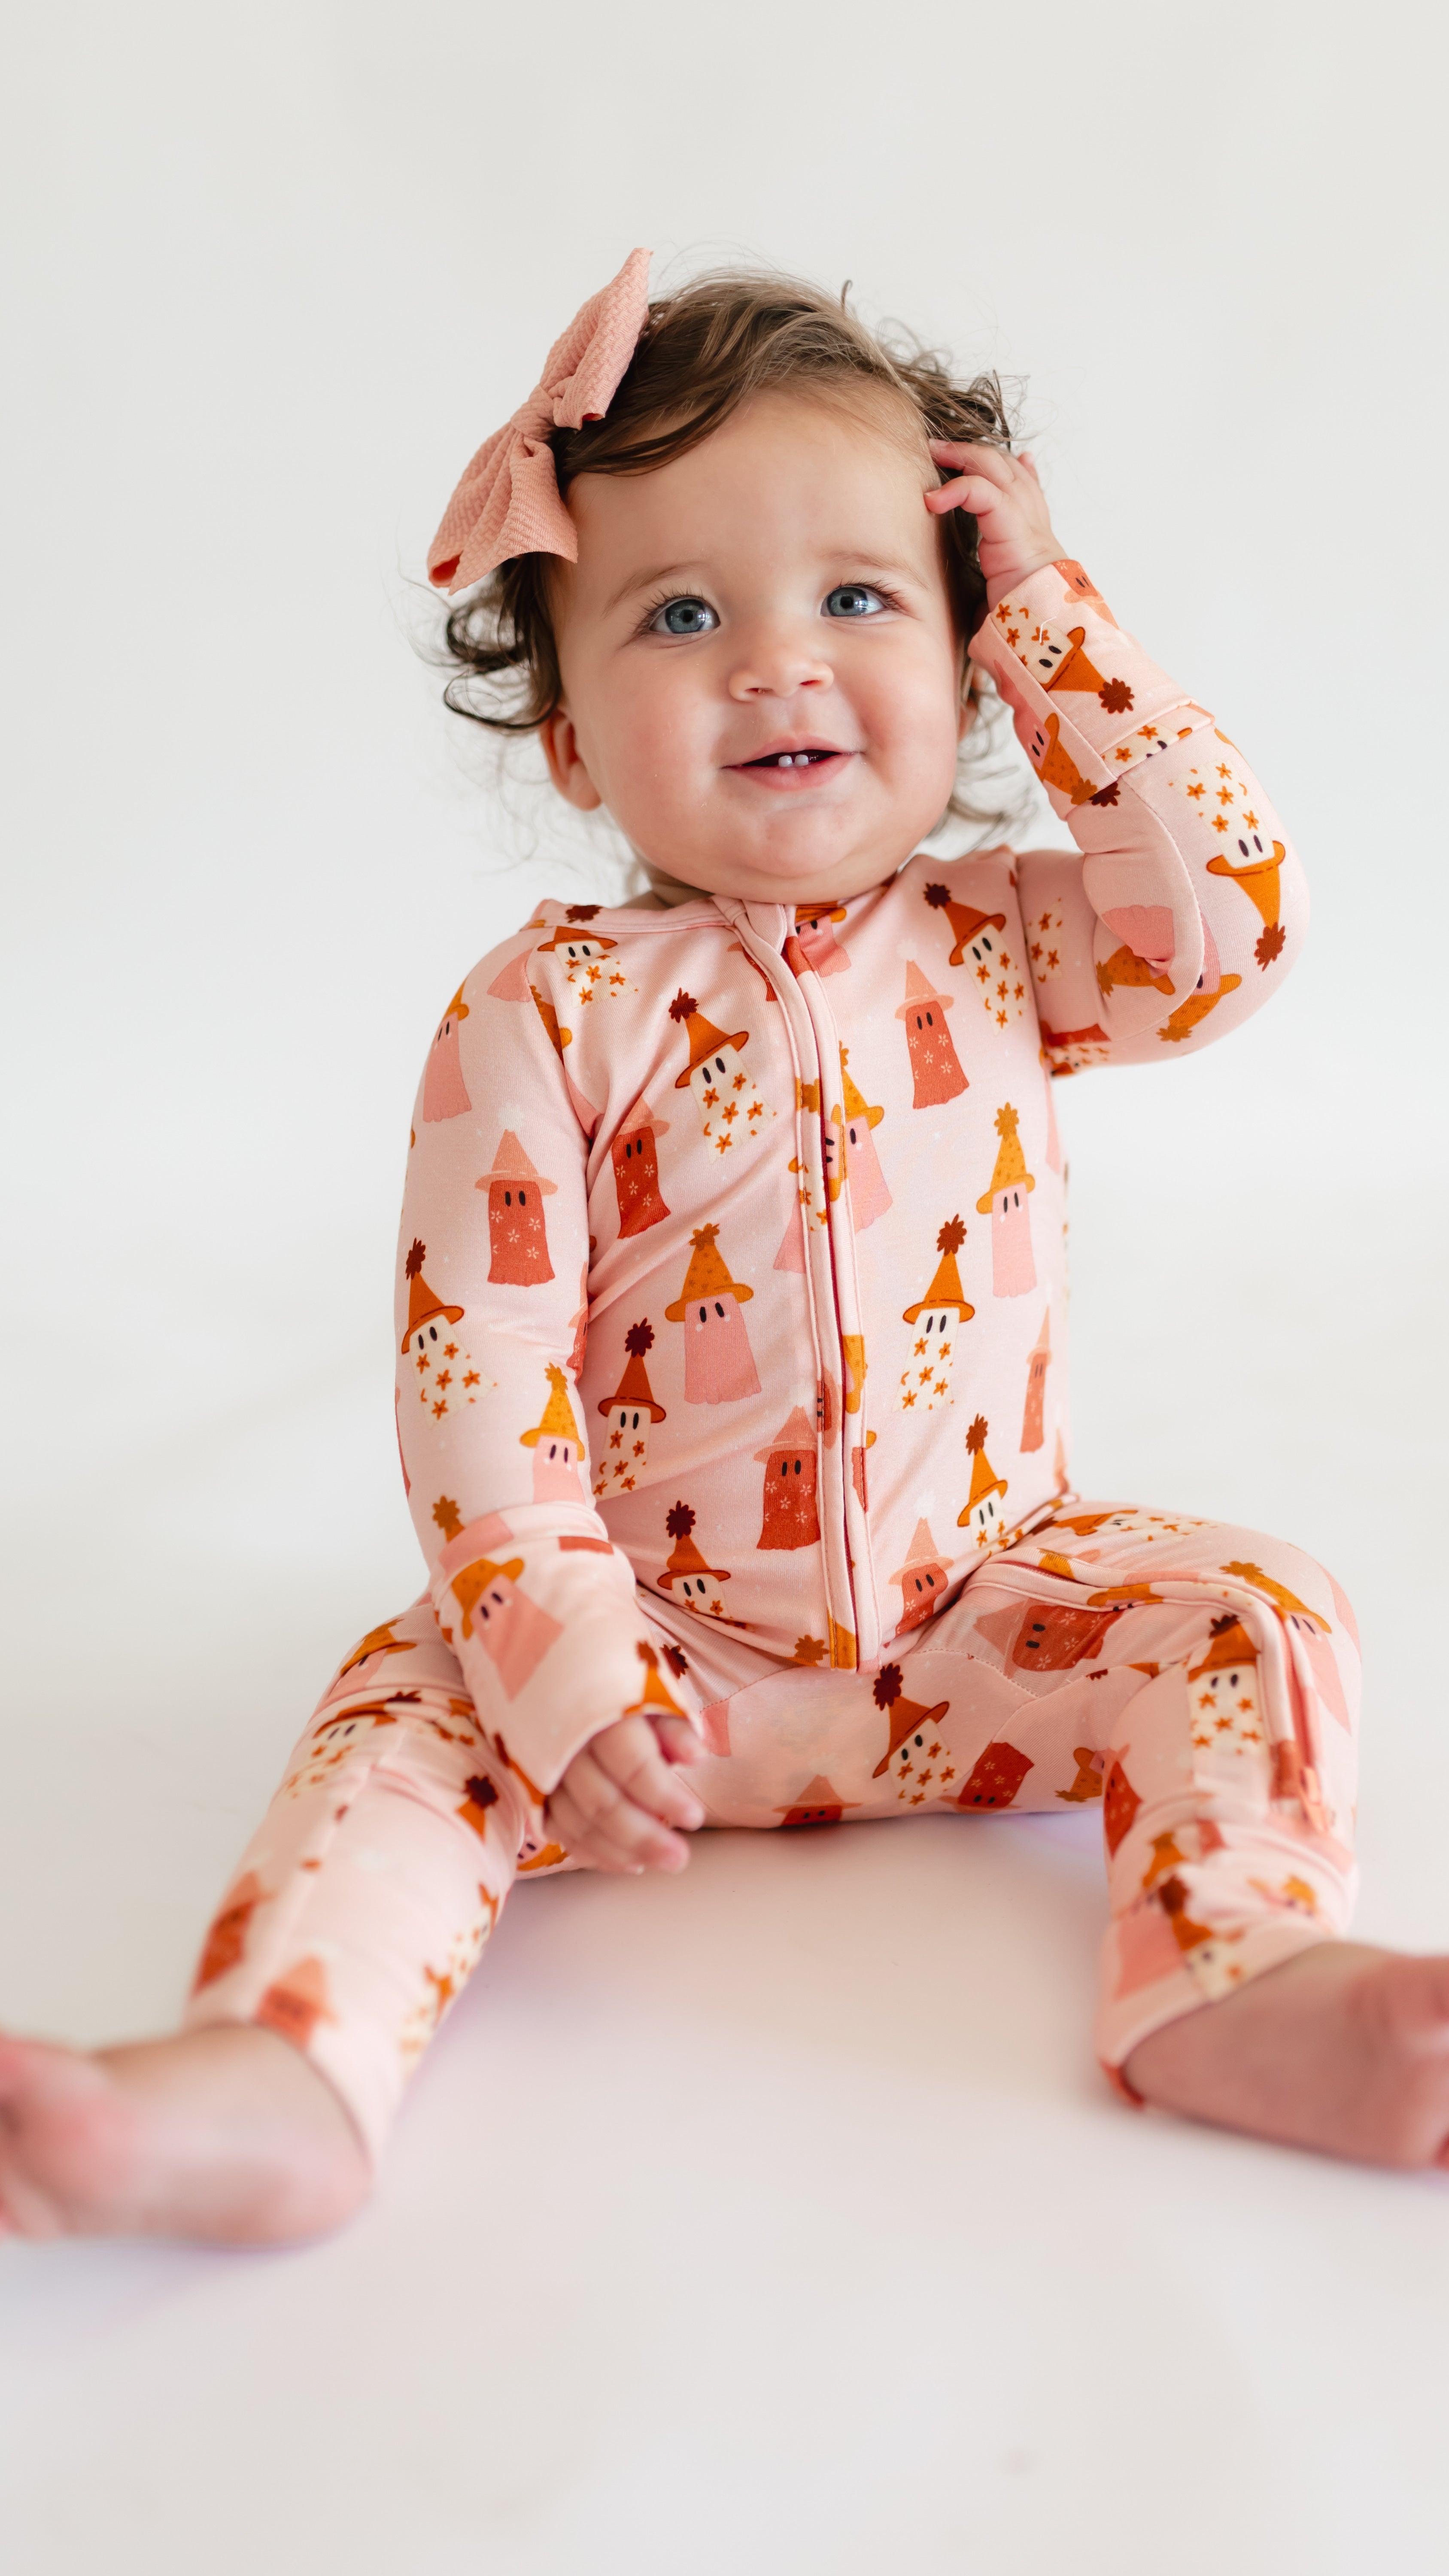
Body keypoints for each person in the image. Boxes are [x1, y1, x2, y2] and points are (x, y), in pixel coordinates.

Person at [6, 251, 1447, 2245]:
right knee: (397, 1725)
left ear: (968, 669)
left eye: (859, 598)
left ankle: (1233, 1976)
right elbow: (477, 1375)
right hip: (645, 1664)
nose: (778, 663)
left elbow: (1232, 920)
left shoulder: (1015, 944)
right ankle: (285, 2072)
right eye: (682, 614)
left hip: (978, 1621)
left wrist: (1051, 611)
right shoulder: (543, 1013)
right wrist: (561, 1666)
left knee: (1257, 1610)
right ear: (571, 740)